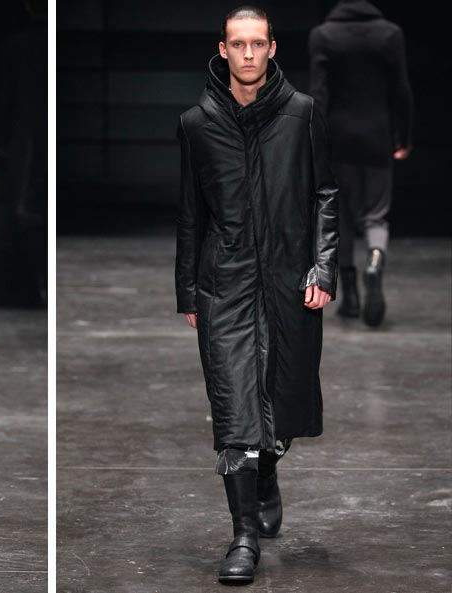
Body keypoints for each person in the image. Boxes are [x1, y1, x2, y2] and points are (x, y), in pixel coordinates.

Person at [175, 6, 338, 585]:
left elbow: (324, 192)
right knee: (233, 406)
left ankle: (268, 469)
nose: (248, 53)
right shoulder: (197, 123)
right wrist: (188, 291)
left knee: (282, 397)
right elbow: (191, 213)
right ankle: (242, 535)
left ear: (272, 48)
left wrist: (324, 267)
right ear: (222, 50)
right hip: (224, 283)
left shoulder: (302, 113)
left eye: (257, 43)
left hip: (291, 280)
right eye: (238, 44)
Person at [309, 0, 413, 326]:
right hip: (379, 136)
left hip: (338, 138)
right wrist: (404, 136)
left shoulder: (324, 35)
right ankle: (374, 261)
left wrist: (316, 141)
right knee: (376, 215)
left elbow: (318, 94)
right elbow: (401, 89)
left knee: (340, 217)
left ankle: (351, 297)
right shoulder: (389, 34)